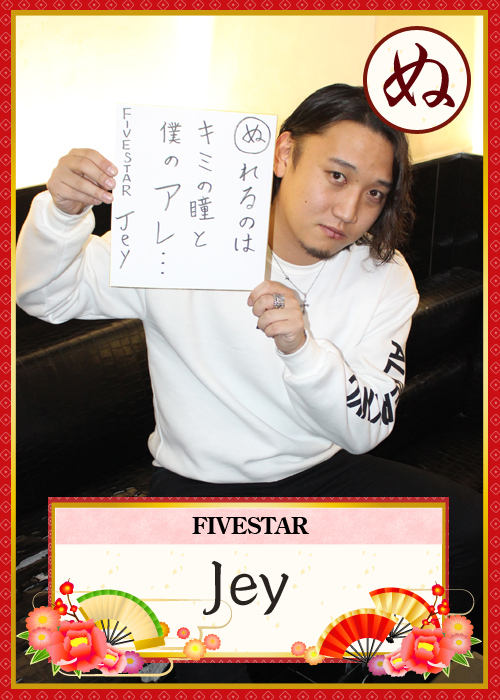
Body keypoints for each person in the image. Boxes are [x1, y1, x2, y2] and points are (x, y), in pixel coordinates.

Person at [16, 85, 482, 684]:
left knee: (470, 532)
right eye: (336, 176)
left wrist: (303, 351)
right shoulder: (186, 236)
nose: (348, 211)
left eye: (373, 193)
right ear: (284, 154)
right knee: (221, 670)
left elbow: (366, 429)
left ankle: (361, 653)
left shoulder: (384, 276)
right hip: (199, 488)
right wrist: (60, 212)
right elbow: (45, 296)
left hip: (319, 475)